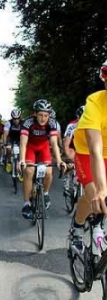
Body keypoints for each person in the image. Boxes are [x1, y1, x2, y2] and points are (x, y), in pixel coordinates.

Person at [70, 60, 107, 254]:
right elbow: (95, 148)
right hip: (87, 152)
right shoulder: (94, 103)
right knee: (94, 194)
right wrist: (102, 189)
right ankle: (77, 228)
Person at [19, 99, 65, 218]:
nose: (43, 118)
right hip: (30, 147)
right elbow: (23, 143)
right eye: (40, 115)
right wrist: (22, 160)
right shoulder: (27, 122)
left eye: (46, 115)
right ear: (35, 114)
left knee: (49, 172)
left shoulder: (52, 123)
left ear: (49, 115)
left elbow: (54, 143)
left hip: (44, 147)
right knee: (29, 171)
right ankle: (26, 204)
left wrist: (59, 160)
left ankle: (45, 193)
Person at [3, 108, 22, 173]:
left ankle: (20, 165)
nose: (16, 120)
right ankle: (9, 162)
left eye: (18, 118)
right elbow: (5, 134)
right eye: (14, 118)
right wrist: (4, 143)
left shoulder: (23, 123)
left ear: (20, 117)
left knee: (22, 150)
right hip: (11, 139)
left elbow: (25, 135)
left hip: (19, 139)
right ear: (12, 118)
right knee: (8, 149)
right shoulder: (8, 123)